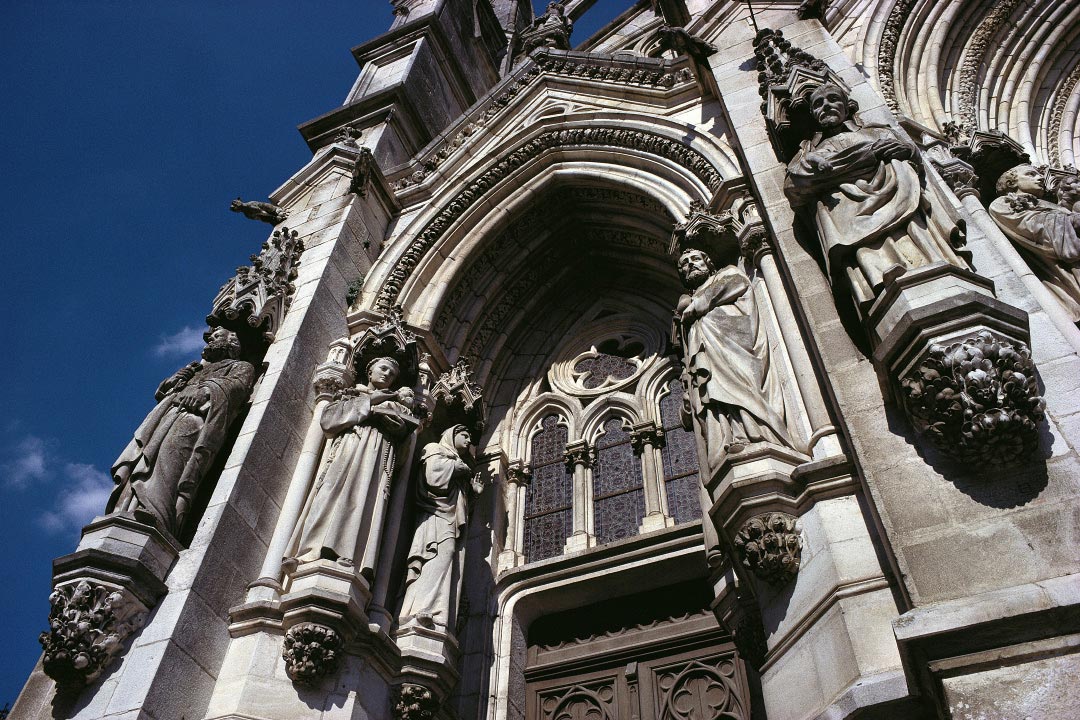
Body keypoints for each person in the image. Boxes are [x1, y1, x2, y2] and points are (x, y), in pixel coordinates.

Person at [785, 83, 967, 309]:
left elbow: (909, 153)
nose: (827, 106)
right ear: (812, 113)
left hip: (900, 198)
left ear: (847, 105)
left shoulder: (876, 131)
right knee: (873, 257)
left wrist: (907, 152)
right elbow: (794, 186)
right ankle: (885, 289)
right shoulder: (807, 153)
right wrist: (867, 157)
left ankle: (933, 267)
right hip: (851, 216)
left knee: (917, 242)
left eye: (833, 99)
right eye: (819, 104)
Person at [109, 327, 255, 537]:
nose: (210, 340)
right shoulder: (195, 369)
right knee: (144, 461)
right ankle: (127, 509)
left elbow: (238, 388)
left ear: (231, 342)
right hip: (167, 416)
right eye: (210, 338)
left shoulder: (241, 366)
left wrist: (207, 390)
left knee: (171, 462)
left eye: (216, 336)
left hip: (194, 419)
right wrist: (175, 380)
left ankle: (156, 515)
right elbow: (163, 392)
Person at [284, 356, 419, 580]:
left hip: (376, 456)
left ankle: (349, 557)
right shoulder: (352, 394)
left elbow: (404, 449)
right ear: (370, 371)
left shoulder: (394, 404)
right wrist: (370, 403)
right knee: (329, 495)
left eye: (392, 374)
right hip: (347, 449)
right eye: (383, 369)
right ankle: (309, 552)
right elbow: (328, 422)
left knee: (362, 501)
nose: (387, 374)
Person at [675, 248, 802, 475]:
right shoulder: (687, 308)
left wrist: (695, 305)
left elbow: (736, 284)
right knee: (714, 393)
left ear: (709, 263)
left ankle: (760, 433)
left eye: (695, 259)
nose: (690, 265)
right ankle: (732, 437)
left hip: (734, 348)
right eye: (684, 263)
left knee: (741, 388)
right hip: (708, 353)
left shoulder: (727, 274)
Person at [398, 424, 482, 630]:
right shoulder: (434, 449)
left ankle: (438, 613)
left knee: (447, 558)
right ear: (452, 435)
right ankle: (417, 610)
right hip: (433, 516)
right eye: (464, 435)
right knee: (435, 556)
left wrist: (474, 494)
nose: (468, 440)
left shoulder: (458, 463)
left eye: (469, 437)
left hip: (450, 519)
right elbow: (431, 477)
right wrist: (455, 468)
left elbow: (460, 506)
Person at [989, 164, 1080, 321]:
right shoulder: (1002, 203)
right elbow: (1035, 229)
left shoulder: (1050, 205)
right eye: (1031, 174)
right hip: (1065, 267)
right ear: (1011, 183)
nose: (1040, 178)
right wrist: (1072, 220)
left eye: (1039, 175)